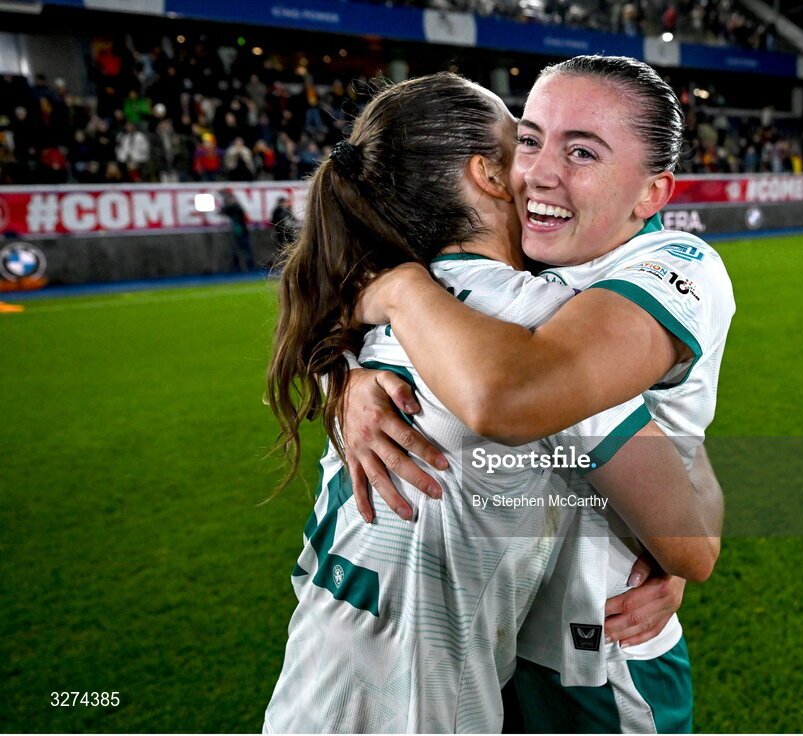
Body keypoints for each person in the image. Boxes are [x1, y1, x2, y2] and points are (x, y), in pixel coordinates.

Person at [263, 72, 721, 733]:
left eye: (577, 150)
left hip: (309, 690)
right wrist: (665, 542)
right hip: (429, 708)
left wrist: (377, 320)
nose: (538, 168)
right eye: (524, 141)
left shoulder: (369, 318)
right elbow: (692, 543)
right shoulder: (533, 327)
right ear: (488, 174)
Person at [219, 191, 255, 272]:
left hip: (242, 233)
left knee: (246, 251)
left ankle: (249, 267)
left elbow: (225, 211)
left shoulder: (237, 208)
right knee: (236, 252)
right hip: (236, 234)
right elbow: (223, 212)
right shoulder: (233, 208)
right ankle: (239, 267)